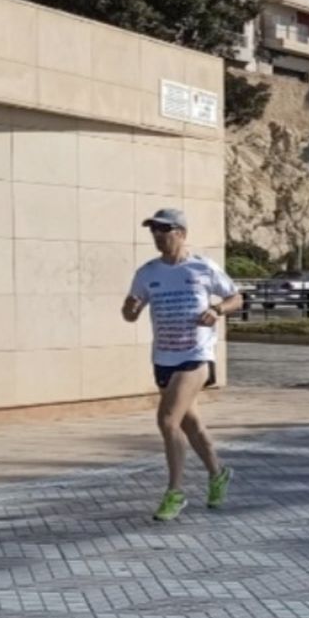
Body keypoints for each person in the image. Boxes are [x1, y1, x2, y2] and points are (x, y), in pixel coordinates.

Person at [121, 208, 243, 523]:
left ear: (182, 233)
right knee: (189, 423)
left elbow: (236, 298)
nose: (158, 235)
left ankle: (175, 492)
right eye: (154, 231)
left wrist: (217, 309)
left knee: (167, 421)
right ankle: (218, 473)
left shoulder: (203, 267)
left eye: (165, 229)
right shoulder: (147, 273)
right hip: (164, 358)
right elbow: (130, 311)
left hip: (196, 355)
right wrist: (130, 308)